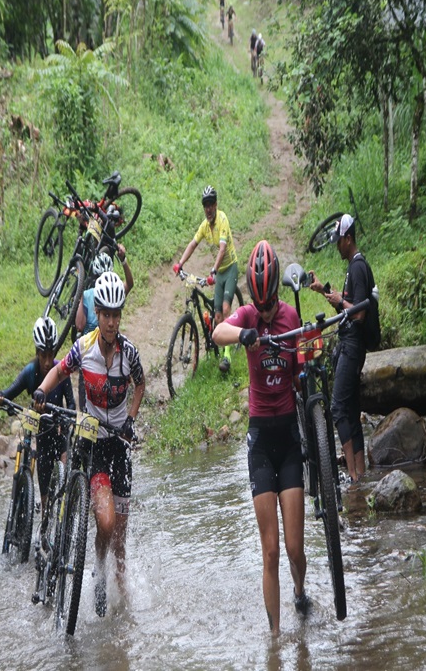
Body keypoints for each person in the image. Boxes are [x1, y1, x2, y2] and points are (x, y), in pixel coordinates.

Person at [212, 240, 310, 635]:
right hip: (260, 443)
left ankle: (300, 591)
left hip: (288, 438)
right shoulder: (249, 315)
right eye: (261, 304)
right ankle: (274, 640)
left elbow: (302, 366)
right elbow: (218, 331)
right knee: (270, 552)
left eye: (270, 304)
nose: (266, 311)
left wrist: (306, 366)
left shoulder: (290, 316)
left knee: (294, 549)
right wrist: (243, 335)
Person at [33, 271, 145, 617]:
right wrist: (42, 391)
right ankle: (97, 569)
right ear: (97, 312)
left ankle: (124, 611)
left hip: (120, 447)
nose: (111, 322)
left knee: (120, 542)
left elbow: (141, 384)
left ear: (120, 315)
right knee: (105, 523)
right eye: (106, 314)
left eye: (116, 315)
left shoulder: (129, 353)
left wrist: (130, 419)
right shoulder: (83, 348)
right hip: (94, 445)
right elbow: (59, 371)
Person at [0, 317, 75, 510]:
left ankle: (65, 513)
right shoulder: (30, 372)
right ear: (37, 352)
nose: (47, 361)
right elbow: (9, 393)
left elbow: (71, 403)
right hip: (43, 437)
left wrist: (67, 421)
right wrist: (0, 396)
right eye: (43, 355)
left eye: (50, 355)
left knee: (65, 476)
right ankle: (45, 518)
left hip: (60, 433)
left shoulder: (61, 371)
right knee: (45, 497)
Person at [309, 214, 369, 482]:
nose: (336, 246)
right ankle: (361, 475)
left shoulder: (357, 267)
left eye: (339, 241)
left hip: (352, 346)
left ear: (348, 239)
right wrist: (324, 290)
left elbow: (359, 313)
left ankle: (354, 476)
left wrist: (338, 301)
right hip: (351, 344)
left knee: (338, 409)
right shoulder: (353, 267)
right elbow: (348, 305)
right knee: (352, 411)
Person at [173, 185, 238, 373]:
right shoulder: (204, 226)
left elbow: (222, 249)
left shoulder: (222, 219)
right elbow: (193, 244)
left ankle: (227, 356)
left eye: (211, 205)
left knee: (225, 309)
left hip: (230, 268)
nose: (208, 209)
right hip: (218, 273)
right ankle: (218, 340)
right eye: (205, 206)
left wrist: (213, 271)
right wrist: (180, 263)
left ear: (216, 204)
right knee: (217, 316)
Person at [75, 247, 134, 407]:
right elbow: (79, 325)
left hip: (103, 353)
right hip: (94, 352)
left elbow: (79, 325)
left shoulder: (102, 295)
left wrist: (123, 260)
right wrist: (81, 294)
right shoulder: (91, 294)